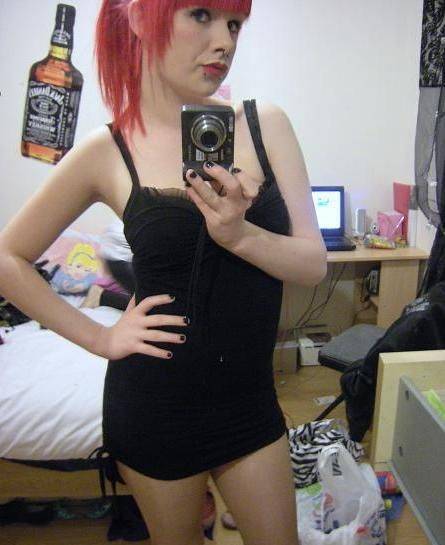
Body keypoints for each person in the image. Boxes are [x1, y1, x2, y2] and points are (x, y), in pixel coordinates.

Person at [0, 1, 327, 544]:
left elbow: (313, 264)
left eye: (234, 23)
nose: (225, 40)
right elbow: (8, 258)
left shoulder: (264, 124)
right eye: (201, 14)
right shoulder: (107, 151)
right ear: (138, 17)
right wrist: (102, 338)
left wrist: (240, 235)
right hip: (155, 407)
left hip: (249, 401)